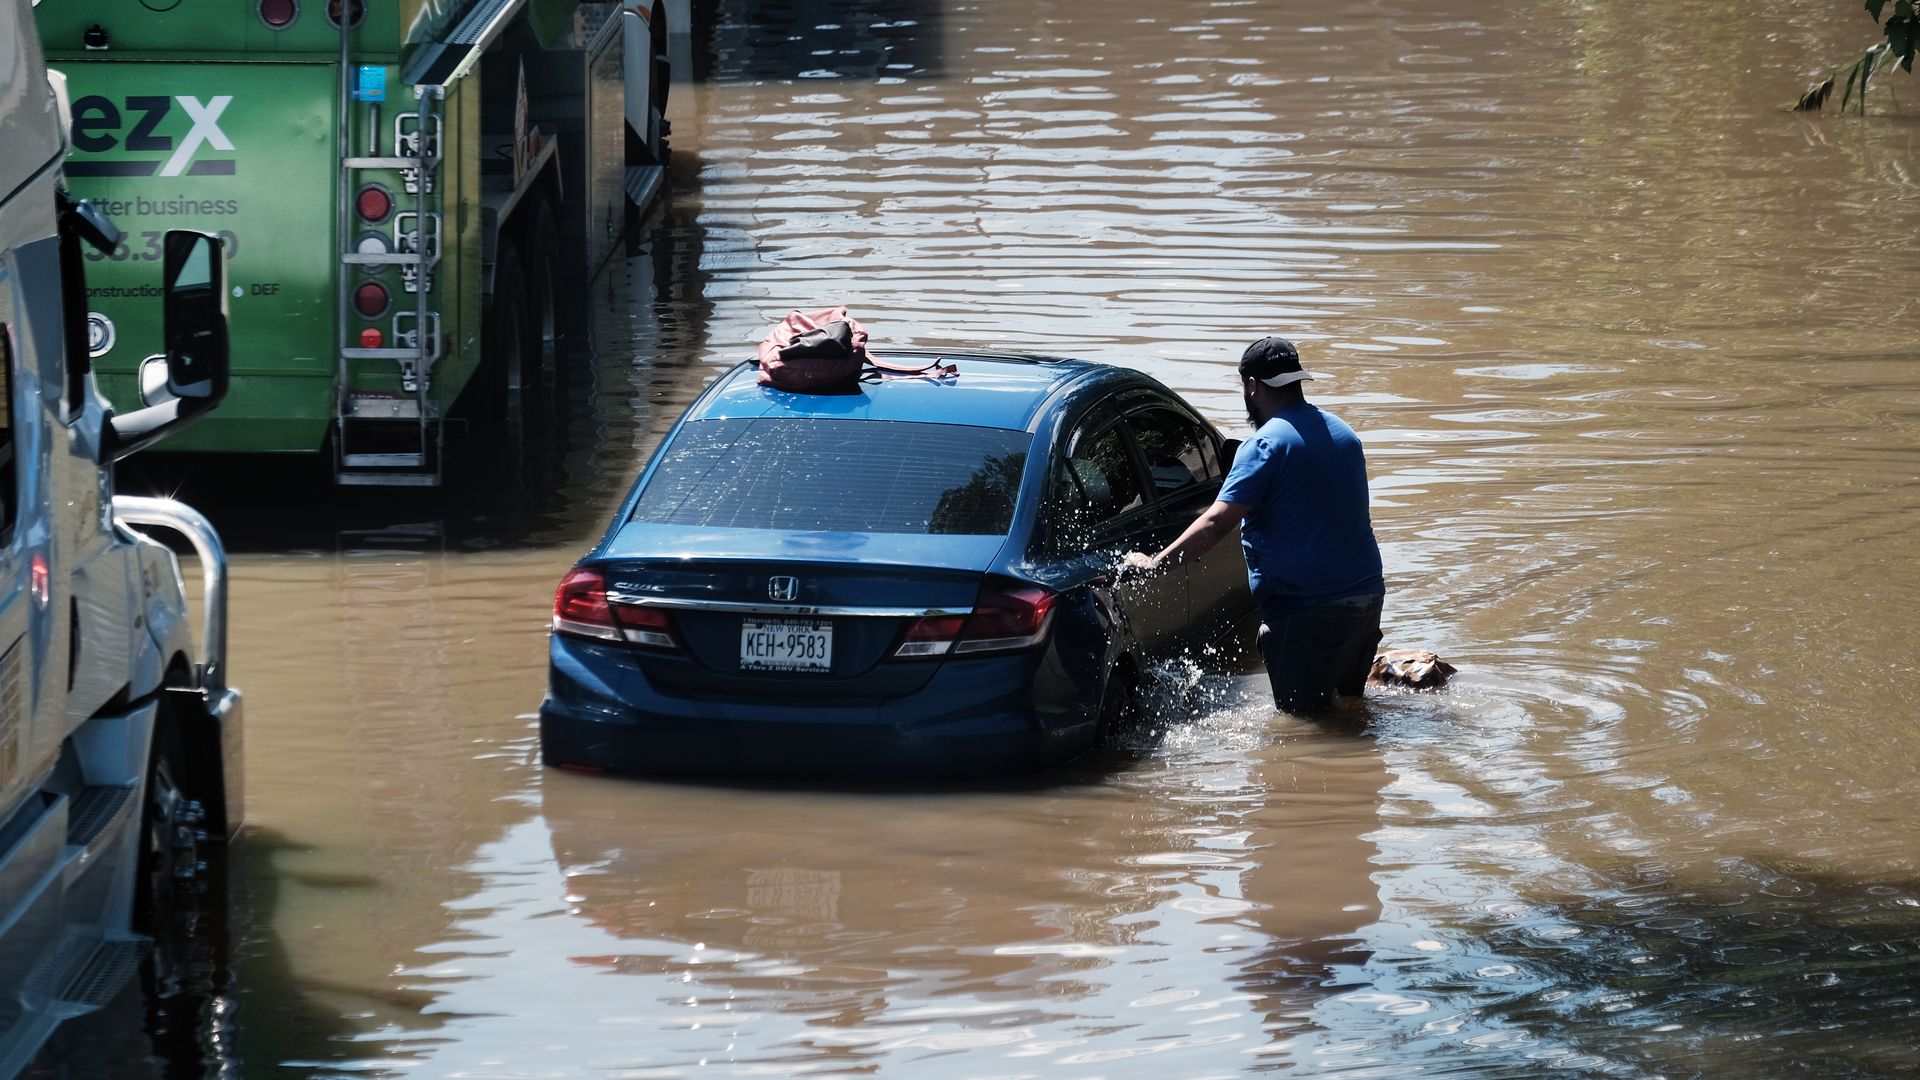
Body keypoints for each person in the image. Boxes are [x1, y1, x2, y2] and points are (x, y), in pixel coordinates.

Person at [1125, 337, 1384, 711]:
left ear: (1251, 387)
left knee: (1302, 731)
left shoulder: (1263, 446)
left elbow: (1216, 524)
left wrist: (1154, 564)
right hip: (1367, 598)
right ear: (1296, 380)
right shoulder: (1345, 434)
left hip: (1308, 611)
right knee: (1349, 713)